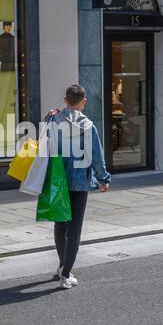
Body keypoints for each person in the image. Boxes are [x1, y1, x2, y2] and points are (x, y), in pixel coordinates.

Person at [48, 85, 111, 290]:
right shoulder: (88, 125)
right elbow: (97, 156)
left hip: (58, 181)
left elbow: (42, 142)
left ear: (65, 100)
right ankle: (66, 275)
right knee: (74, 231)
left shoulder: (53, 120)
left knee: (60, 225)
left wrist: (47, 115)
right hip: (79, 182)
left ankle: (61, 266)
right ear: (84, 101)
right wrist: (103, 178)